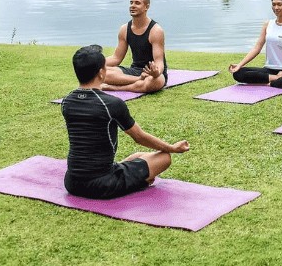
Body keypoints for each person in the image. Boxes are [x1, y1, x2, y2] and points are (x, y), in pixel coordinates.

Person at [61, 45, 189, 199]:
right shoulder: (111, 104)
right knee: (164, 157)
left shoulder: (67, 102)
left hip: (72, 182)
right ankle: (141, 181)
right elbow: (139, 137)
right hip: (103, 185)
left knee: (138, 156)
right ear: (102, 72)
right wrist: (172, 148)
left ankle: (128, 174)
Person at [229, 0, 282, 88]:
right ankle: (276, 78)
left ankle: (274, 80)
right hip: (269, 69)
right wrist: (239, 65)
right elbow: (257, 48)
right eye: (274, 4)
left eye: (279, 4)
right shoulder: (268, 24)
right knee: (238, 73)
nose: (276, 8)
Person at [102, 0, 167, 93]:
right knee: (102, 73)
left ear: (146, 7)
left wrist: (156, 72)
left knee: (154, 81)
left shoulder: (156, 30)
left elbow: (159, 61)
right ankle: (137, 81)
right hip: (134, 71)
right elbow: (116, 58)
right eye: (131, 2)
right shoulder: (124, 29)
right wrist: (95, 63)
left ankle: (115, 88)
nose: (132, 6)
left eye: (137, 3)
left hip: (152, 74)